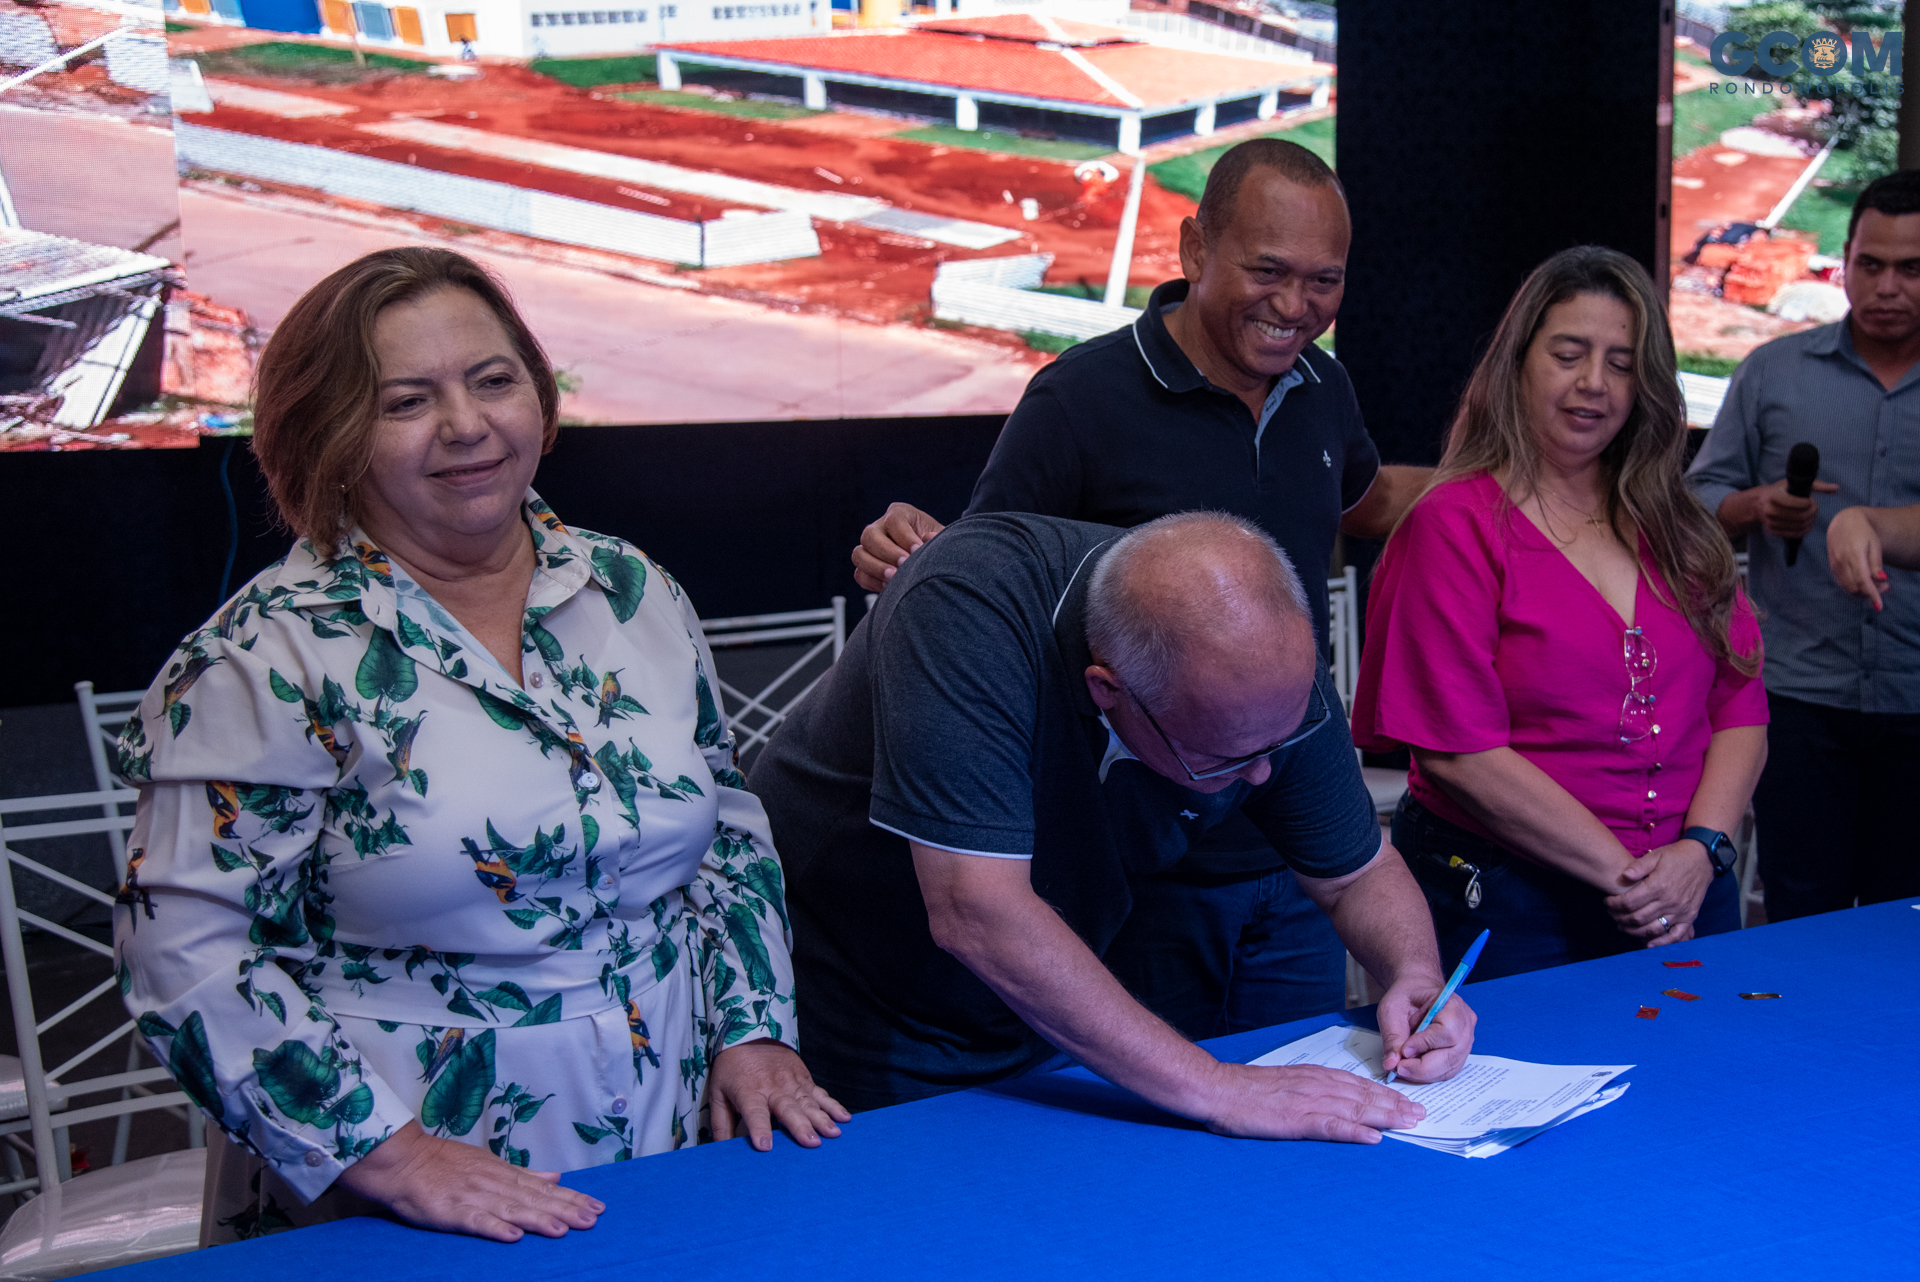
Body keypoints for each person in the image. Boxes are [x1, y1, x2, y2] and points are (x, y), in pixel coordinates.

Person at [112, 248, 845, 1247]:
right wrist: (392, 1155)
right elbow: (186, 953)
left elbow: (723, 825)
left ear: (538, 399)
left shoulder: (633, 589)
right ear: (333, 435)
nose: (466, 425)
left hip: (675, 1141)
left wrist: (754, 1026)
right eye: (406, 400)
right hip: (411, 1187)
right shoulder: (260, 658)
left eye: (493, 381)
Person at [846, 139, 1432, 1042]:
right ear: (1195, 250)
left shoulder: (1324, 387)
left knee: (1311, 1106)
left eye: (1325, 280)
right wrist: (905, 547)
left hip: (1296, 840)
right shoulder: (1080, 399)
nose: (1295, 306)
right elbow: (985, 570)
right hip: (1143, 871)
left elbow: (1360, 500)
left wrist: (1503, 487)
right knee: (1161, 1128)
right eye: (1268, 270)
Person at [749, 509, 1476, 1127]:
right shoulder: (968, 603)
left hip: (1036, 1003)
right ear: (1108, 688)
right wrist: (1217, 1085)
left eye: (1276, 746)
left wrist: (1411, 972)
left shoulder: (1261, 667)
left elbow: (1357, 874)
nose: (1260, 776)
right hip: (855, 987)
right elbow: (977, 911)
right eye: (1222, 759)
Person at [1351, 246, 1767, 981]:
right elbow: (1459, 751)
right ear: (1518, 363)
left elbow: (1739, 704)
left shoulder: (1678, 525)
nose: (1593, 384)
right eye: (1569, 353)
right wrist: (1640, 883)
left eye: (1620, 362)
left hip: (1690, 890)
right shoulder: (1454, 523)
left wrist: (1702, 849)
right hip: (1515, 901)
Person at [1688, 170, 1920, 921]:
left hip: (1917, 699)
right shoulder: (1773, 371)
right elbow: (1694, 499)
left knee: (1904, 929)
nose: (1887, 286)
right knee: (1799, 912)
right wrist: (1754, 506)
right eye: (1871, 265)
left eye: (1912, 269)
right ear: (1844, 260)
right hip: (1796, 696)